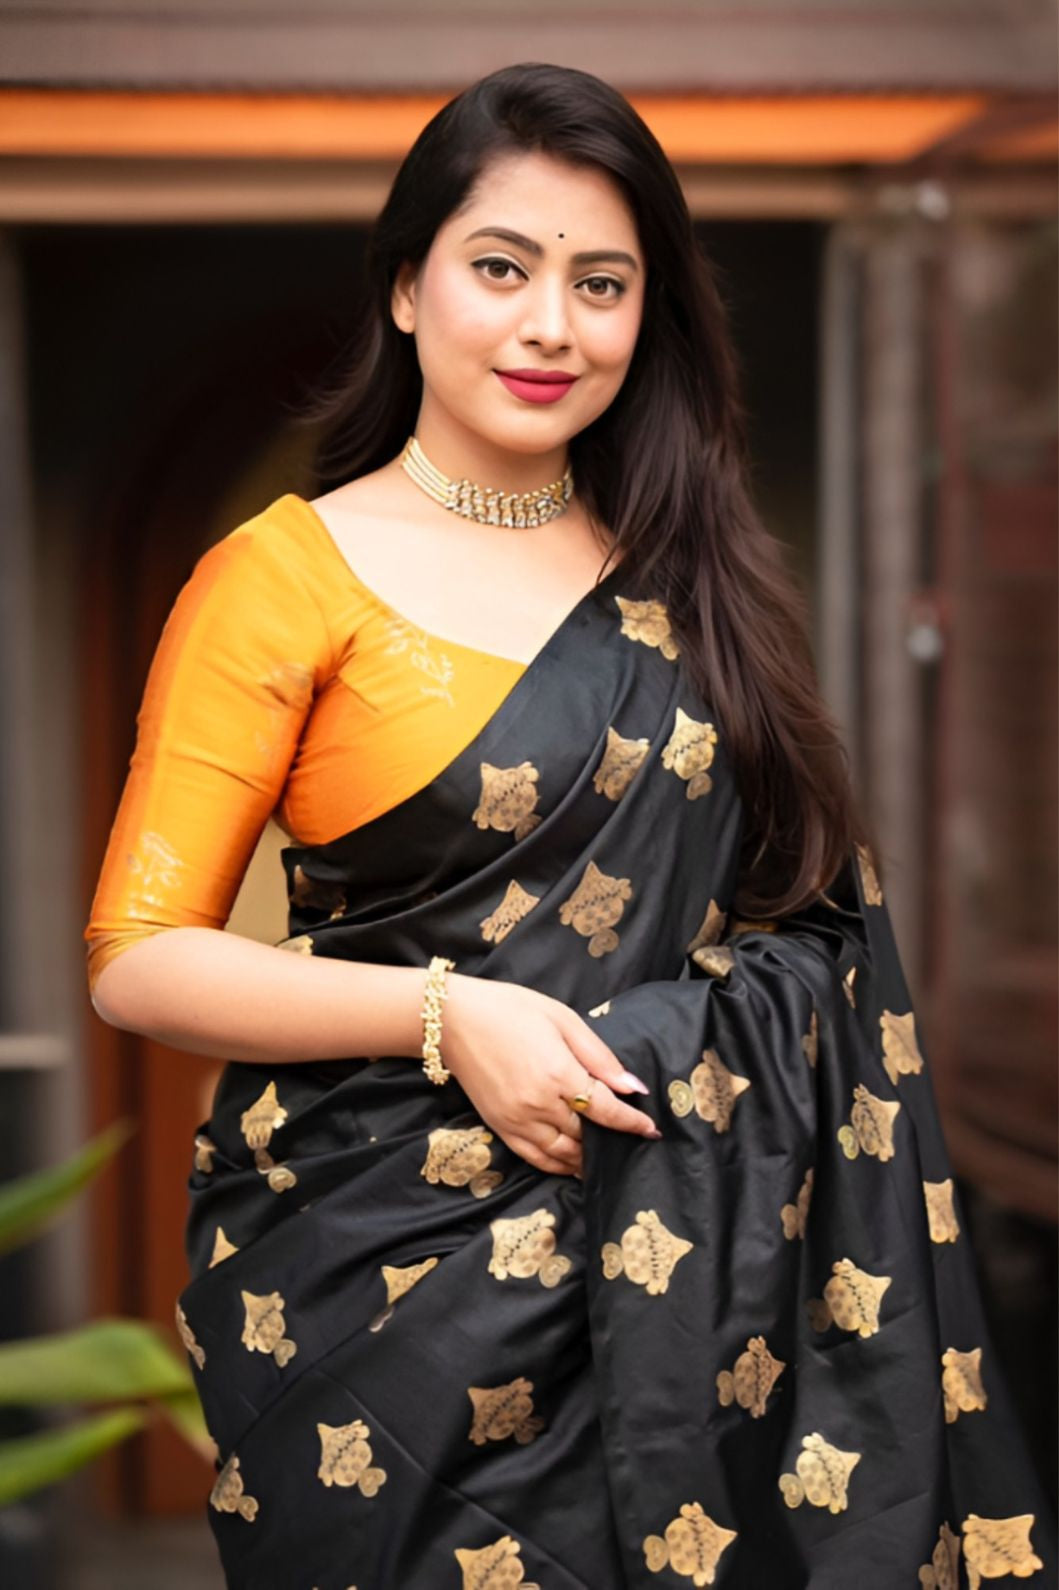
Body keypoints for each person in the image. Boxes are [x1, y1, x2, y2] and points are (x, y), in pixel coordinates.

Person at [84, 61, 1054, 1590]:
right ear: (408, 289)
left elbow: (808, 932)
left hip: (698, 1279)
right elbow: (136, 959)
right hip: (372, 1285)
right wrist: (447, 1014)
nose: (553, 324)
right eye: (501, 267)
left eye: (602, 283)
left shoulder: (699, 578)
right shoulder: (281, 577)